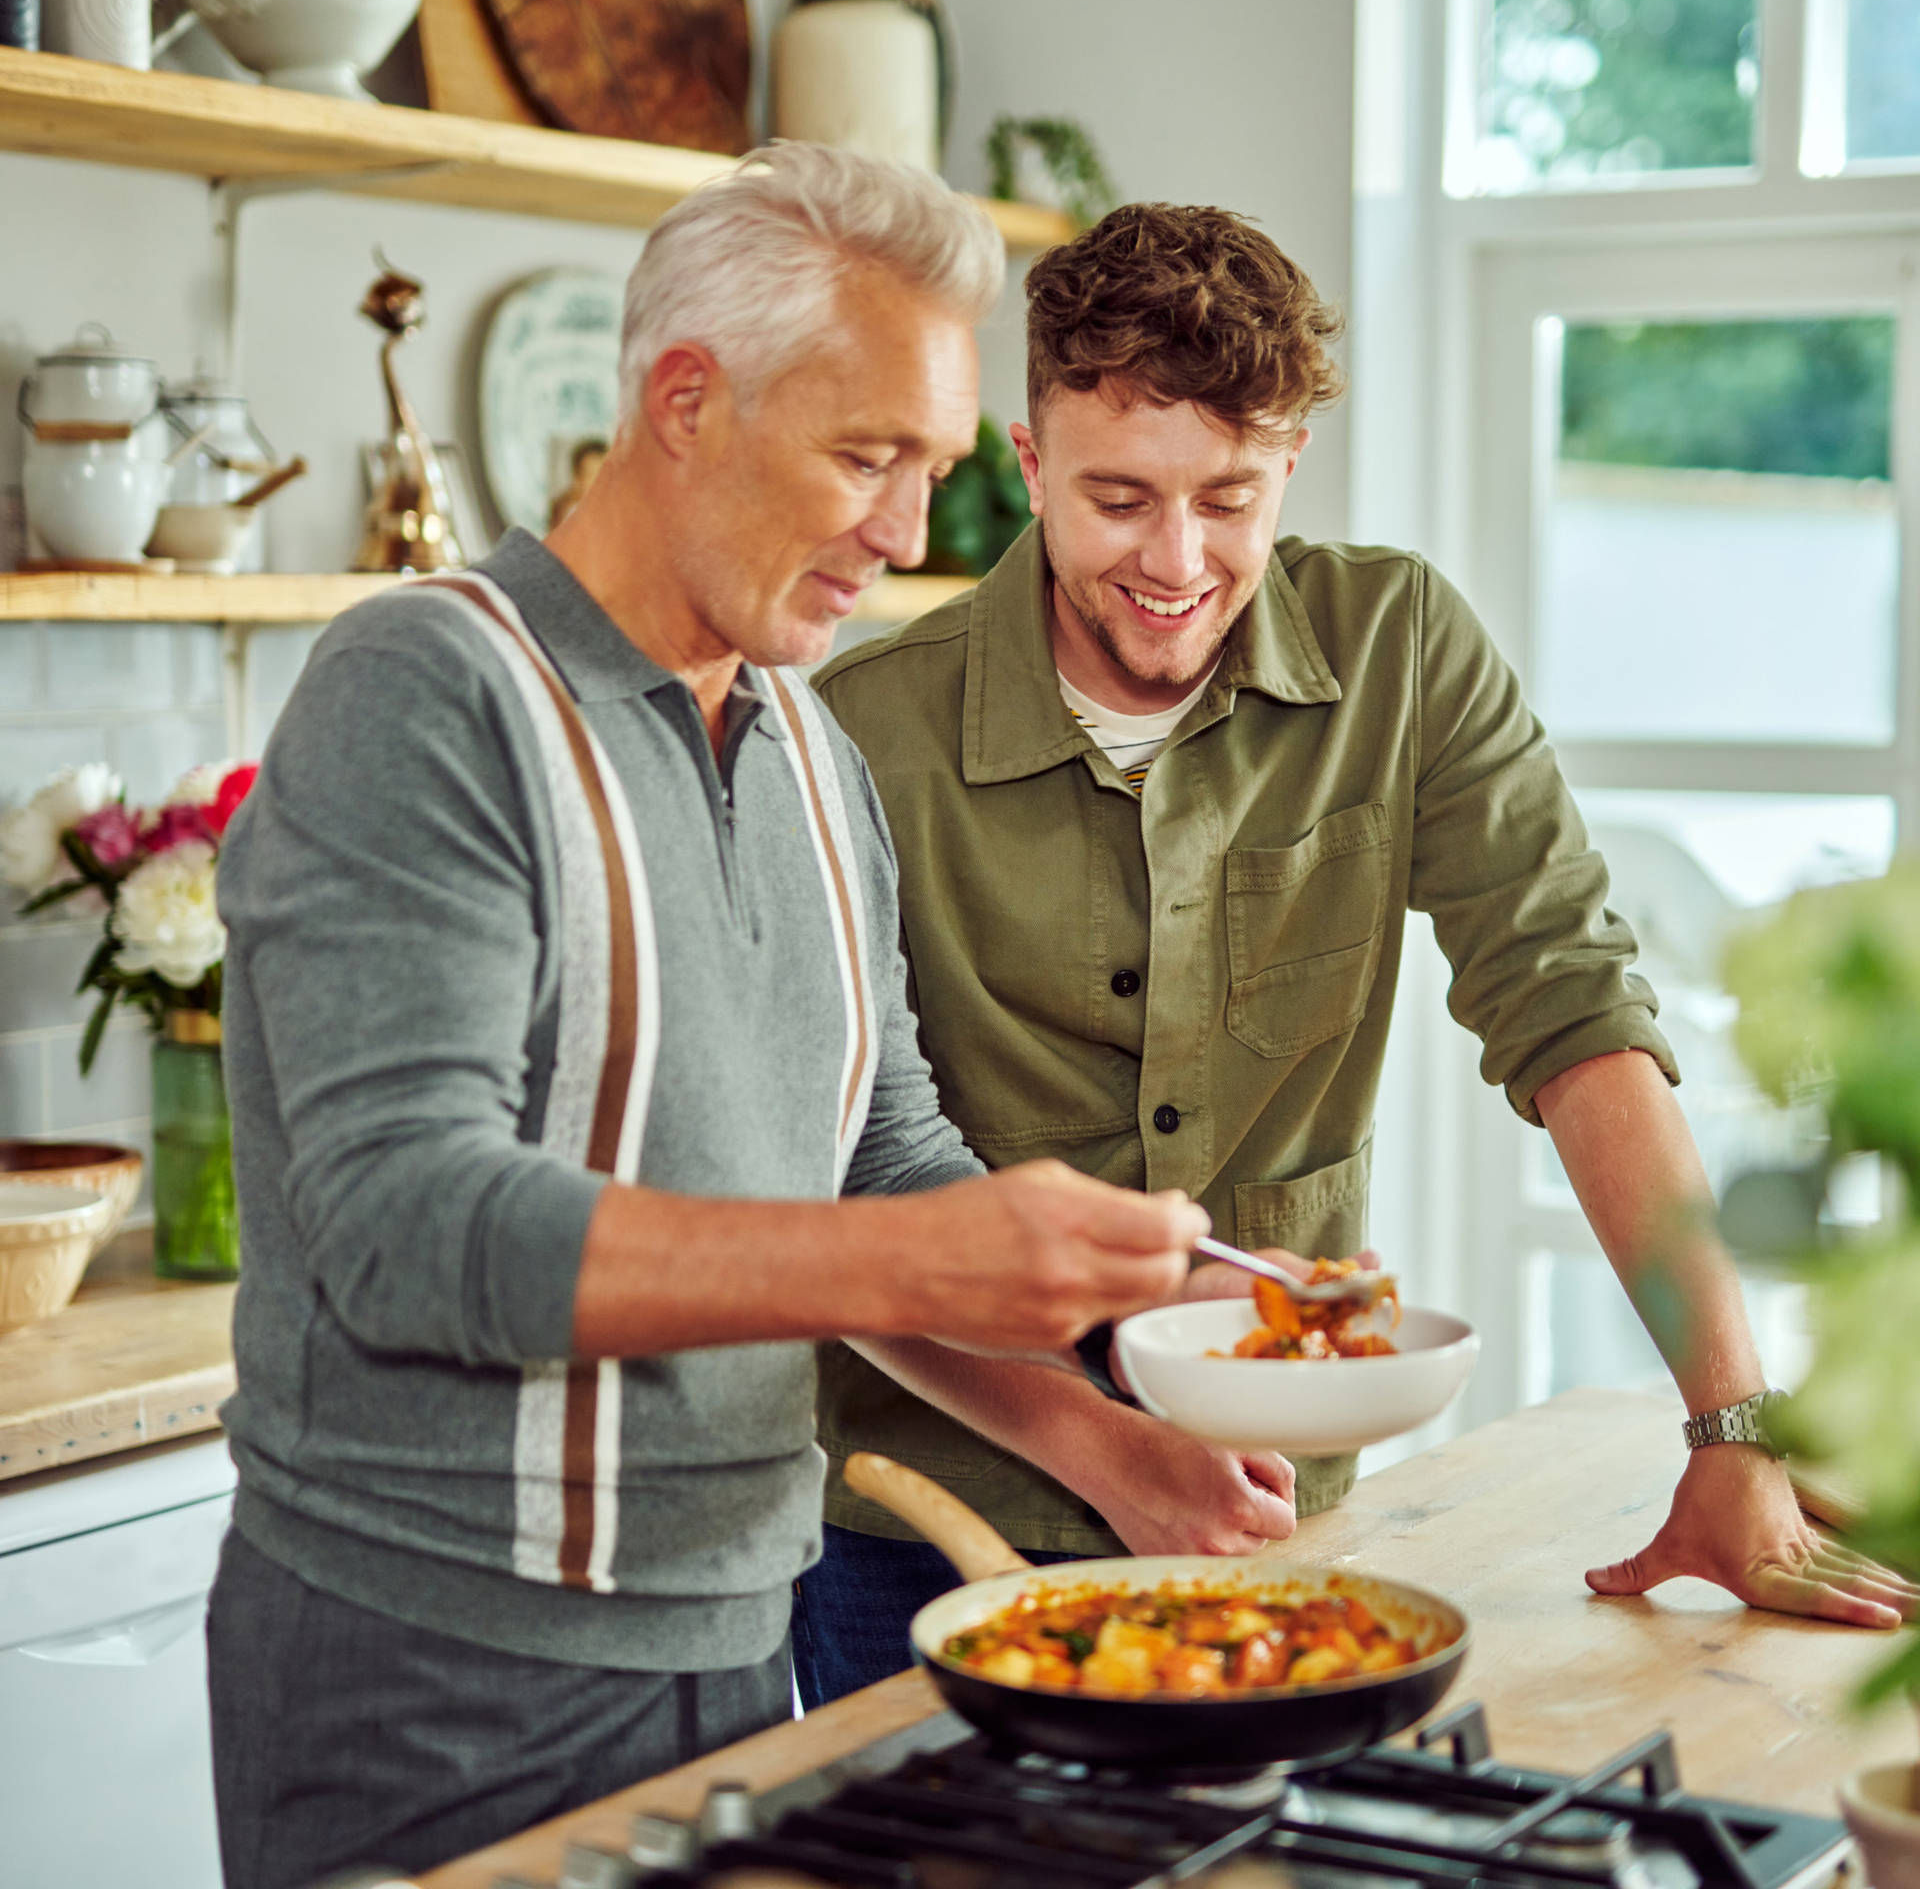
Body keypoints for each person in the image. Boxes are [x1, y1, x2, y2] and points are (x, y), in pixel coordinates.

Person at [203, 148, 1211, 1889]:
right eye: (865, 457)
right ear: (687, 400)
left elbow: (873, 1153)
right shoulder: (423, 695)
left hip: (754, 1650)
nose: (906, 538)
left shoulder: (816, 749)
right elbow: (402, 1224)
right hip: (437, 1682)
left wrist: (1104, 1434)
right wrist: (918, 1264)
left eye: (937, 472)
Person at [795, 200, 1918, 1707]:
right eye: (1119, 498)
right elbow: (833, 1178)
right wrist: (1099, 1442)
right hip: (924, 1526)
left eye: (1231, 499)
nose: (1178, 562)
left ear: (1290, 468)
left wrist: (1732, 1423)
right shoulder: (854, 732)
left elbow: (1574, 1011)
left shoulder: (1400, 650)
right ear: (1029, 462)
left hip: (1280, 1500)